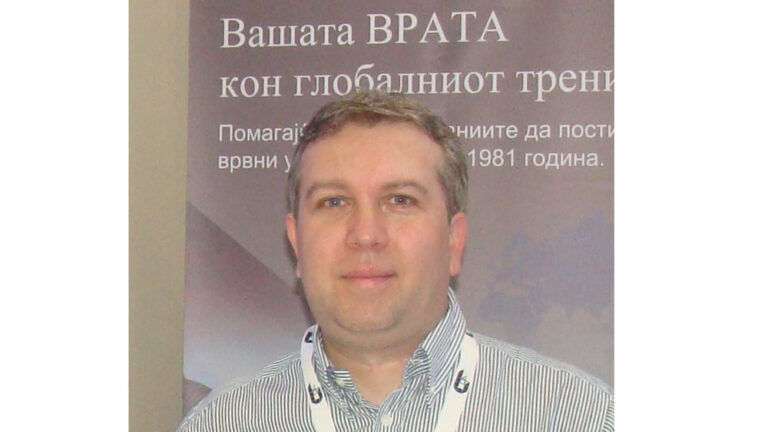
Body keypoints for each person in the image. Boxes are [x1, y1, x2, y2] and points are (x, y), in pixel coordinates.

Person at [177, 90, 614, 432]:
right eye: (334, 202)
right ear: (296, 242)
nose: (366, 234)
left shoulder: (581, 416)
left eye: (400, 200)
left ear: (454, 241)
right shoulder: (221, 423)